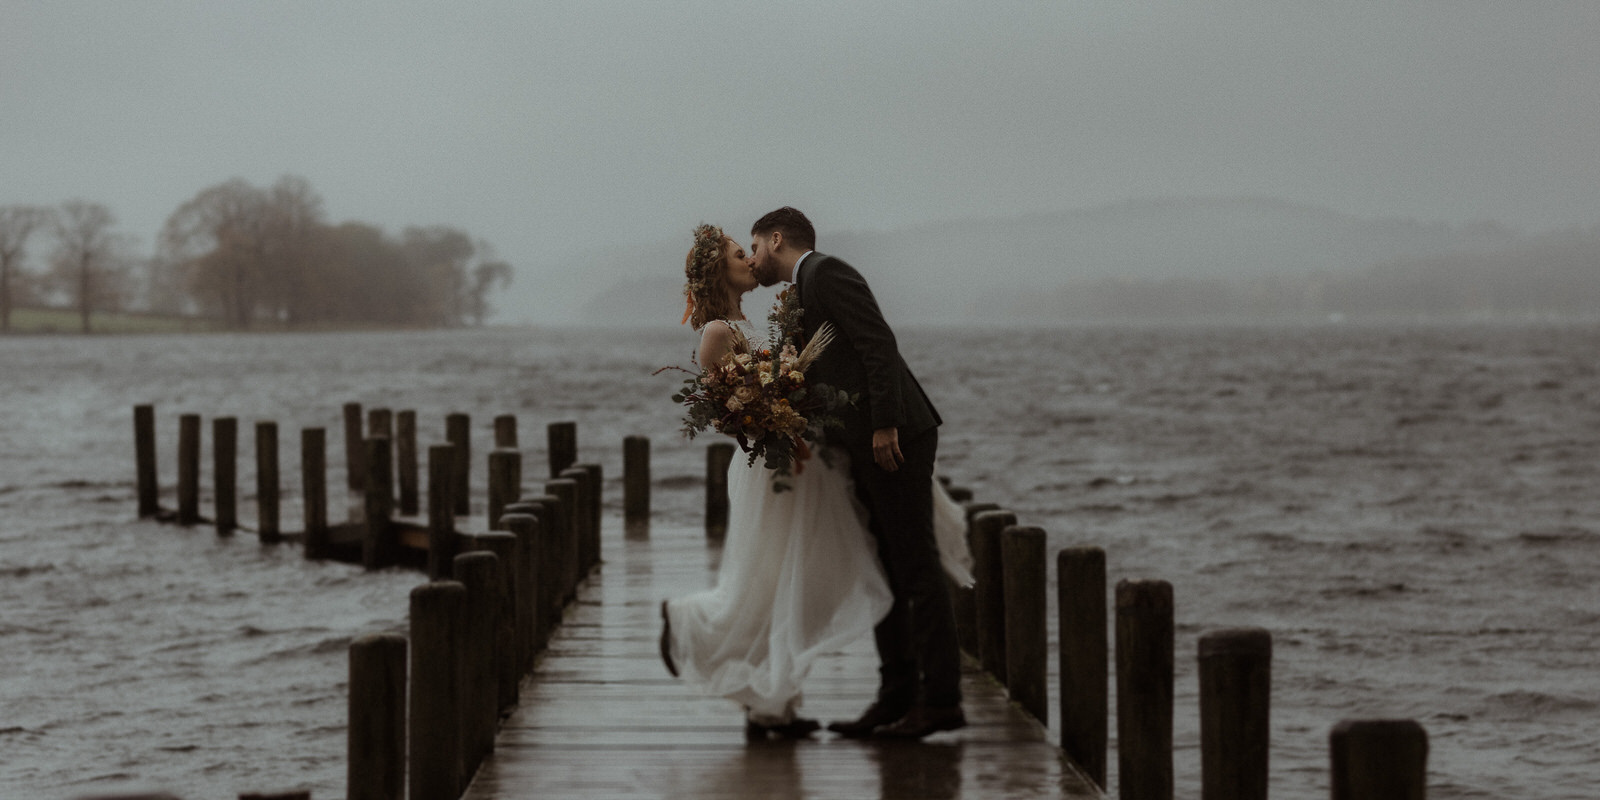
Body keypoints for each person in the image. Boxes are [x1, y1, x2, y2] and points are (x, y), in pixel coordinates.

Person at [659, 223, 895, 741]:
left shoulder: (766, 317)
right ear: (720, 270)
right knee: (768, 576)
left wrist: (797, 407)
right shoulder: (718, 331)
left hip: (802, 462)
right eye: (740, 254)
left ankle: (777, 702)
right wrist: (772, 420)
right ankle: (693, 625)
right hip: (768, 470)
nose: (751, 259)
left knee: (805, 576)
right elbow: (725, 416)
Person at [748, 206, 966, 740]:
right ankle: (896, 697)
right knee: (886, 564)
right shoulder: (803, 291)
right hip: (863, 443)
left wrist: (886, 424)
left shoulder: (827, 273)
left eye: (754, 247)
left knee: (914, 564)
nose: (753, 258)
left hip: (894, 438)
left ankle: (941, 701)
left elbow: (878, 344)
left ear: (776, 239)